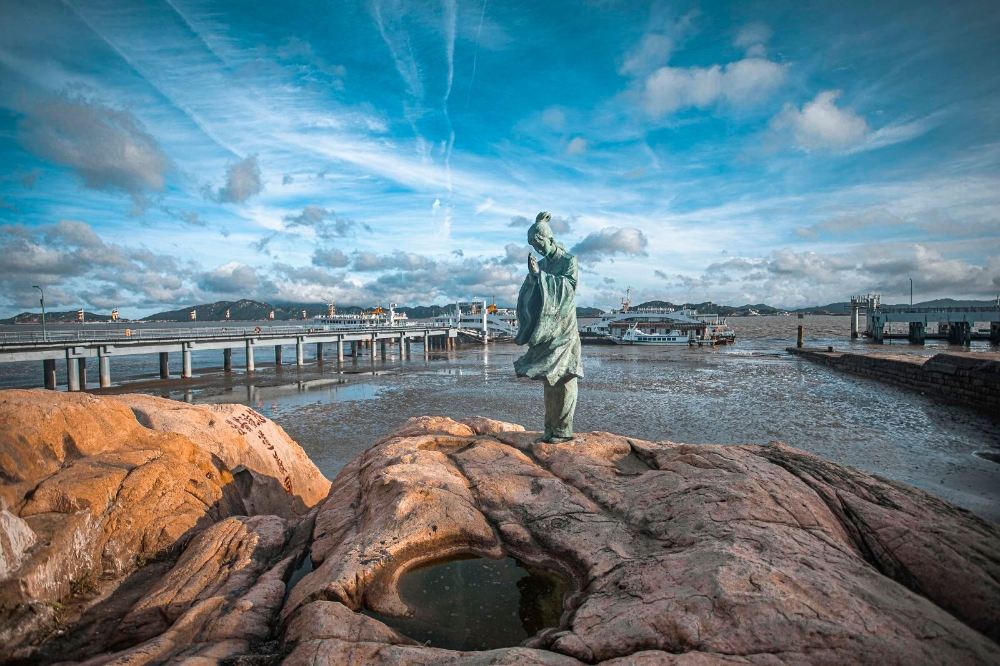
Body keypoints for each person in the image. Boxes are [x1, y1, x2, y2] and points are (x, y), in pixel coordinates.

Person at [514, 211, 583, 442]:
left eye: (539, 243)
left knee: (566, 378)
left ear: (549, 238)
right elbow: (530, 295)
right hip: (548, 331)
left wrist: (540, 276)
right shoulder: (542, 264)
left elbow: (569, 289)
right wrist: (534, 278)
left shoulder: (569, 261)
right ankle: (550, 429)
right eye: (533, 246)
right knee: (550, 379)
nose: (537, 249)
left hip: (565, 330)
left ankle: (563, 431)